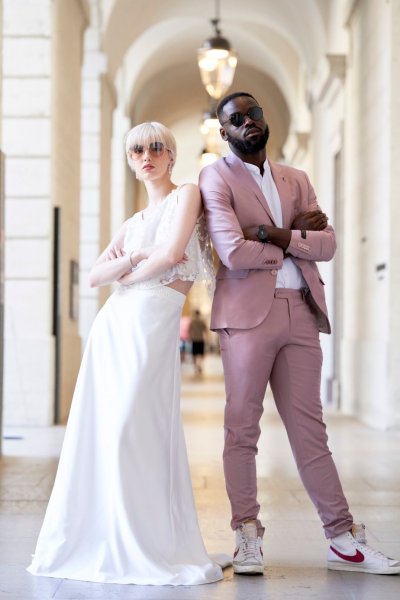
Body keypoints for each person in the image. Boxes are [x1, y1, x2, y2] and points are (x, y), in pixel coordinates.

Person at [199, 92, 400, 576]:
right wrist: (292, 238)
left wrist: (270, 234)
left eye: (254, 113)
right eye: (236, 119)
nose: (248, 122)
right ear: (223, 132)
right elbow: (231, 251)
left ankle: (342, 538)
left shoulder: (296, 178)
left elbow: (327, 244)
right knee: (241, 430)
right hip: (246, 318)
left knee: (312, 433)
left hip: (301, 314)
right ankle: (247, 535)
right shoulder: (215, 176)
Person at [28, 122, 226, 586]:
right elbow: (97, 276)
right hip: (114, 326)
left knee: (133, 426)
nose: (147, 156)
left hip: (153, 322)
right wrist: (137, 260)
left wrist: (130, 266)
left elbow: (174, 250)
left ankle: (146, 538)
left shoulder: (186, 196)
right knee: (102, 429)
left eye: (157, 148)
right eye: (137, 150)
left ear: (171, 156)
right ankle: (104, 534)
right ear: (130, 161)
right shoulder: (132, 225)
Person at [189, 309, 208, 374]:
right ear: (199, 314)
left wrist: (190, 337)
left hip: (194, 339)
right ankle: (199, 365)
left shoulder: (192, 321)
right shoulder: (202, 321)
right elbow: (205, 330)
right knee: (200, 354)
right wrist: (207, 338)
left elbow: (189, 330)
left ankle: (195, 366)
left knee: (194, 354)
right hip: (200, 339)